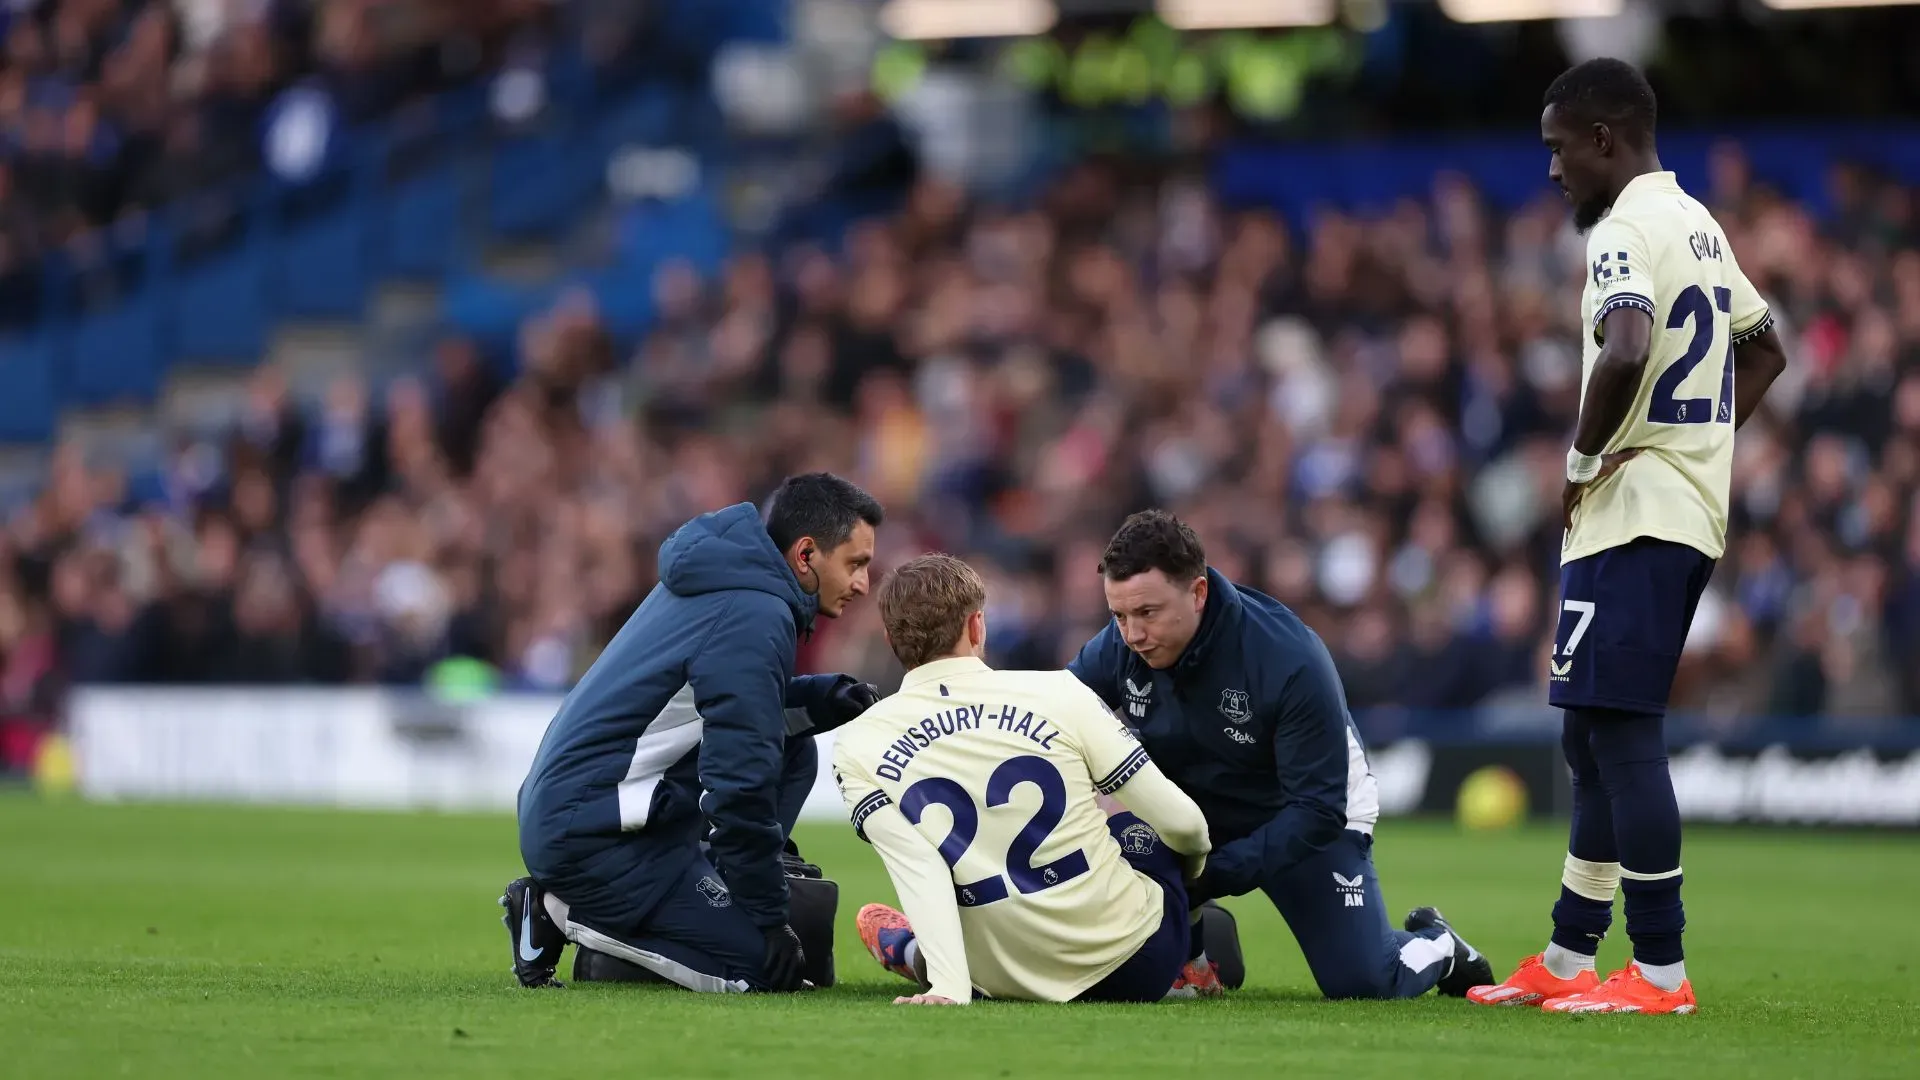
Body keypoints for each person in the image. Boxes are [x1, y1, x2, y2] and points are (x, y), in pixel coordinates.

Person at [1468, 59, 1789, 1016]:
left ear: (1604, 139)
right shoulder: (1699, 225)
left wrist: (1580, 461)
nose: (1553, 168)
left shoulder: (1623, 230)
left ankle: (1659, 970)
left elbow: (1629, 344)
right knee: (1588, 732)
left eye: (1560, 147)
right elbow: (1766, 348)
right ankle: (1571, 955)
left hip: (1635, 513)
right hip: (1673, 509)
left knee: (1621, 730)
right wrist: (1702, 449)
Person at [1068, 510, 1494, 1000]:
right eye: (1119, 616)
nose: (1132, 635)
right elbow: (1060, 716)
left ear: (1198, 593)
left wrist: (1211, 876)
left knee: (1363, 981)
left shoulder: (1288, 658)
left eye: (1147, 613)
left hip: (1306, 816)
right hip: (1198, 808)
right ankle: (1196, 952)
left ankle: (1440, 944)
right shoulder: (1123, 644)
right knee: (1117, 829)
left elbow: (1318, 810)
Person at [501, 473, 886, 992]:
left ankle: (695, 901)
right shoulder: (756, 613)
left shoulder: (732, 581)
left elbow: (728, 710)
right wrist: (768, 916)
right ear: (805, 555)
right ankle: (557, 912)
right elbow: (739, 784)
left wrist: (821, 699)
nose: (863, 583)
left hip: (593, 811)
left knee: (794, 749)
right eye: (855, 564)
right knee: (769, 973)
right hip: (593, 836)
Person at [834, 553, 1213, 1004]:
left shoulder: (857, 742)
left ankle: (915, 952)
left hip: (996, 976)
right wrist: (1190, 883)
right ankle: (1195, 963)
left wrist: (949, 990)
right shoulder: (1060, 691)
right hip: (1135, 966)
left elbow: (920, 865)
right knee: (1128, 820)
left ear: (889, 638)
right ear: (976, 626)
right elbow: (1186, 826)